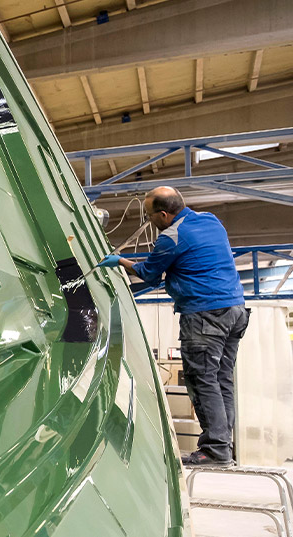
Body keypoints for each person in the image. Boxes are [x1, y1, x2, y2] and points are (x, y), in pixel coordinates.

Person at [98, 186, 248, 466]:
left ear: (164, 214)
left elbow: (149, 275)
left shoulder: (171, 237)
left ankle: (215, 450)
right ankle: (224, 447)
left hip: (205, 315)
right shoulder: (210, 220)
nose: (148, 221)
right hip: (236, 310)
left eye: (149, 215)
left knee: (202, 379)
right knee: (221, 379)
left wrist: (119, 261)